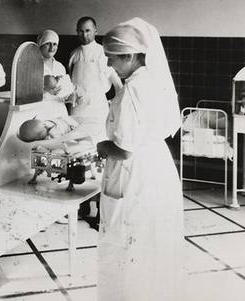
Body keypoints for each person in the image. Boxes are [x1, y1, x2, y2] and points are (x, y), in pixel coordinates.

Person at [96, 18, 184, 300]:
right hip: (157, 168)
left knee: (127, 243)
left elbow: (124, 149)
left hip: (135, 174)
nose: (109, 65)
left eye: (112, 58)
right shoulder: (150, 82)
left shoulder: (131, 92)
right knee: (151, 244)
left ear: (130, 56)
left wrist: (102, 146)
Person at [68, 16, 122, 143]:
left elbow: (118, 83)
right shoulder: (74, 54)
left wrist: (114, 104)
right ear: (77, 32)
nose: (84, 34)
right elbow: (71, 83)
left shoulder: (102, 53)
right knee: (76, 144)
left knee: (97, 143)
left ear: (95, 31)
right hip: (77, 109)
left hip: (97, 109)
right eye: (80, 31)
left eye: (88, 30)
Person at [37, 29, 74, 101]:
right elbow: (27, 92)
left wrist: (70, 96)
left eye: (54, 44)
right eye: (47, 43)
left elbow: (66, 90)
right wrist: (45, 93)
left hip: (59, 109)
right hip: (41, 108)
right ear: (40, 45)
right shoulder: (32, 66)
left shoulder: (60, 67)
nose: (51, 48)